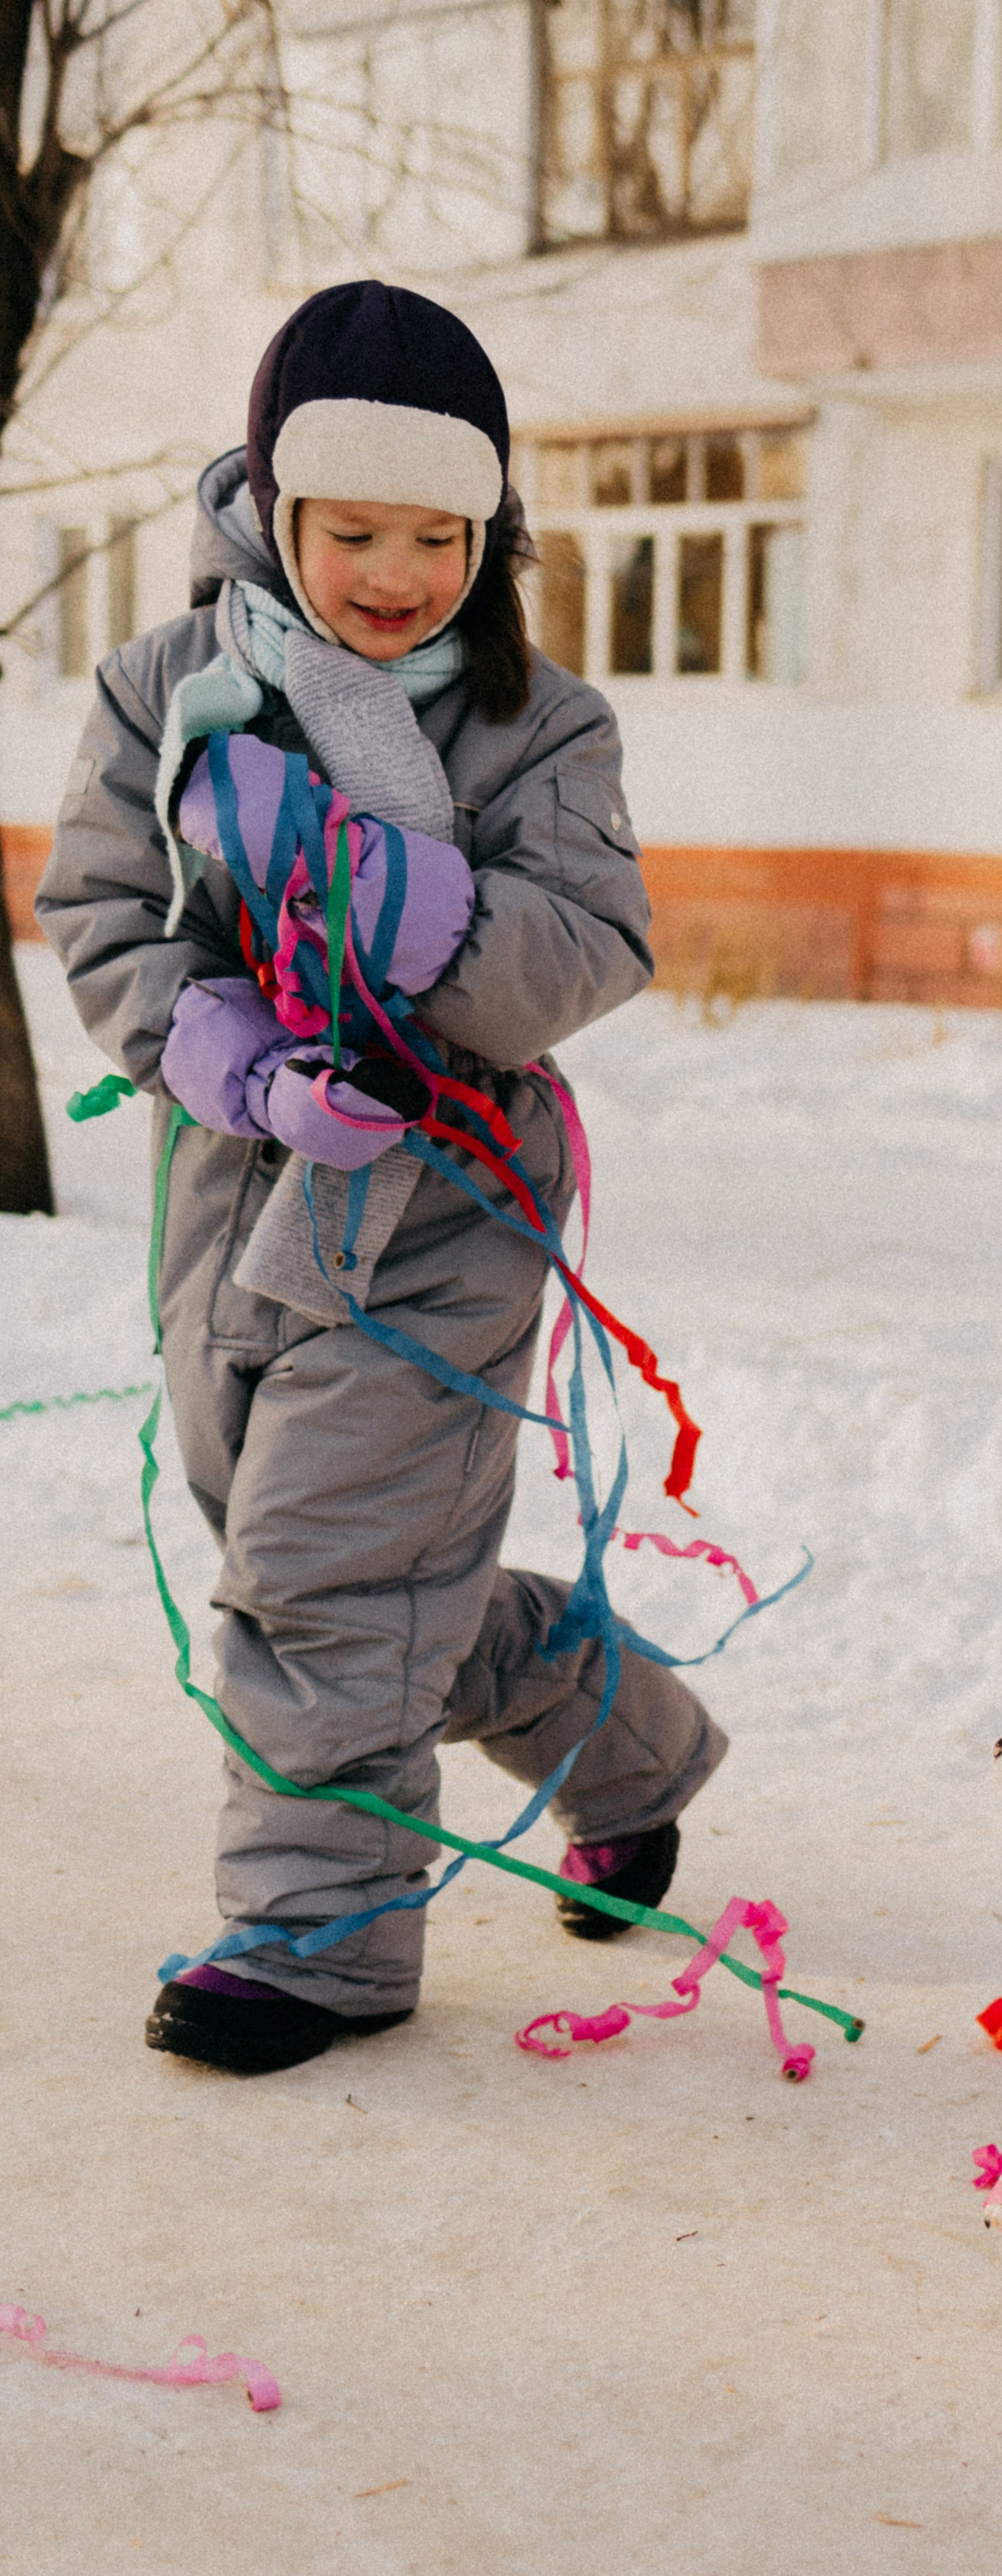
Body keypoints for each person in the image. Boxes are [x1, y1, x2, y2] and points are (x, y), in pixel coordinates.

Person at [36, 281, 726, 2076]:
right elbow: (101, 912)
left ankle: (321, 1939)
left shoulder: (541, 726)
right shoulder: (166, 695)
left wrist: (398, 900)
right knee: (344, 1561)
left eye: (440, 536)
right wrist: (229, 1051)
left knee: (325, 1578)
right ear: (271, 508)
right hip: (236, 1201)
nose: (397, 573)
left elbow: (587, 943)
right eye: (355, 531)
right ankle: (629, 1752)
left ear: (488, 538)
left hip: (443, 1209)